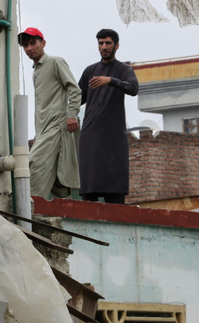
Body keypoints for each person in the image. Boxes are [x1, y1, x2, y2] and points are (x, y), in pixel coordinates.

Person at [17, 27, 81, 199]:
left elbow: (74, 89)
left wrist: (72, 115)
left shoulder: (55, 62)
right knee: (52, 174)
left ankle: (31, 207)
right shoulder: (36, 71)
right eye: (25, 45)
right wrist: (38, 133)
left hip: (57, 124)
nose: (29, 48)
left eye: (32, 43)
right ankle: (56, 210)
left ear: (43, 43)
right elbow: (41, 106)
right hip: (44, 129)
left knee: (34, 163)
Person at [78, 29, 139, 204]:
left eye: (108, 43)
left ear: (116, 46)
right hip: (90, 138)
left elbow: (133, 88)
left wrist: (110, 81)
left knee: (114, 193)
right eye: (101, 43)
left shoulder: (123, 69)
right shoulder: (90, 71)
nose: (104, 47)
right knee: (89, 193)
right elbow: (76, 98)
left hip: (113, 140)